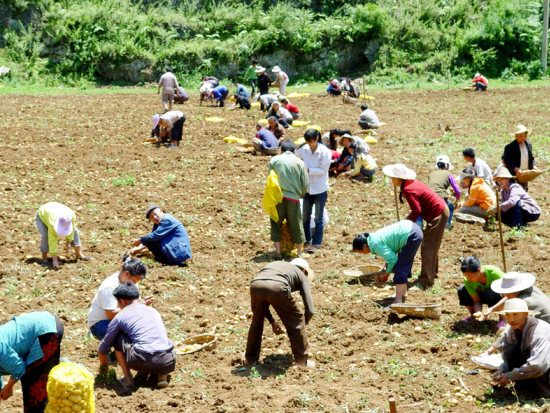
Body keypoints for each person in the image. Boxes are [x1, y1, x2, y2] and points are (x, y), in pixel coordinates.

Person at [98, 282, 176, 389]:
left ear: (122, 301)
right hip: (168, 361)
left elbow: (104, 347)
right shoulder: (153, 311)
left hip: (141, 360)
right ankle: (162, 375)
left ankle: (128, 380)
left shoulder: (120, 317)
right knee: (158, 337)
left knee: (117, 335)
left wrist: (103, 366)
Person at [383, 164, 449, 287]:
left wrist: (405, 222)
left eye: (392, 178)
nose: (391, 181)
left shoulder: (407, 189)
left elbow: (417, 210)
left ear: (398, 179)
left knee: (427, 247)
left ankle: (425, 281)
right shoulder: (410, 184)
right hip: (439, 211)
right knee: (432, 245)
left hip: (438, 214)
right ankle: (432, 274)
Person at [244, 259, 315, 368]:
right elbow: (310, 310)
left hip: (256, 285)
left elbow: (262, 305)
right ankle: (301, 362)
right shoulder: (301, 275)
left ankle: (249, 360)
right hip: (278, 286)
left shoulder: (280, 267)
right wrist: (299, 328)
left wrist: (272, 321)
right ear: (304, 271)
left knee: (256, 322)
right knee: (298, 318)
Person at [479, 299, 550, 398]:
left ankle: (542, 393)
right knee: (511, 351)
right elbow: (507, 356)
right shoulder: (511, 330)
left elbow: (538, 364)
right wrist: (502, 370)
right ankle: (525, 389)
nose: (511, 319)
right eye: (507, 315)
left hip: (544, 368)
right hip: (534, 367)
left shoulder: (539, 332)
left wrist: (510, 376)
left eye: (515, 314)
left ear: (525, 314)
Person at [0, 312, 64, 413]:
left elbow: (18, 367)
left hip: (46, 332)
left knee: (33, 383)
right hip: (44, 324)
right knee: (43, 376)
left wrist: (8, 387)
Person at [352, 220, 423, 304]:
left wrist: (386, 275)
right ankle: (403, 293)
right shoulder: (372, 239)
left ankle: (398, 301)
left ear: (364, 246)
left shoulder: (375, 244)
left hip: (411, 234)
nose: (363, 254)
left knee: (400, 267)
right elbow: (390, 253)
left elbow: (393, 259)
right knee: (403, 262)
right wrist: (385, 268)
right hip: (411, 229)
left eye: (361, 252)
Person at [88, 258, 152, 340]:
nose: (135, 284)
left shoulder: (130, 282)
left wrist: (142, 303)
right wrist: (136, 306)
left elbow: (133, 304)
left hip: (120, 319)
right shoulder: (109, 286)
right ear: (127, 273)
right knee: (126, 334)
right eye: (134, 280)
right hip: (100, 324)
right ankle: (120, 351)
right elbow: (110, 314)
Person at [268, 140, 309, 257]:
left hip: (277, 198)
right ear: (294, 151)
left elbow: (269, 179)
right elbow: (305, 183)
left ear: (281, 150)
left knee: (276, 223)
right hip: (293, 198)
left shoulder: (275, 160)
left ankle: (277, 252)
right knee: (296, 224)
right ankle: (300, 252)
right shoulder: (299, 162)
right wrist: (300, 194)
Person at [296, 129, 332, 253]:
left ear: (317, 139)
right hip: (307, 187)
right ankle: (307, 241)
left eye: (311, 142)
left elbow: (323, 170)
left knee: (318, 217)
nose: (309, 144)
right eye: (307, 142)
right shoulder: (304, 149)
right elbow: (295, 156)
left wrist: (307, 170)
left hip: (320, 188)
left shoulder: (325, 152)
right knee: (305, 216)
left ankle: (317, 243)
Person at [36, 202, 90, 269]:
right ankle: (44, 259)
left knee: (75, 231)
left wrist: (68, 242)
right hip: (43, 214)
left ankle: (78, 254)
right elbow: (52, 240)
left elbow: (72, 229)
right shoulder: (52, 222)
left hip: (53, 211)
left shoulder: (71, 216)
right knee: (45, 235)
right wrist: (55, 260)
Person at [457, 256, 507, 327]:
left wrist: (492, 309)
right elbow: (477, 300)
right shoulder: (467, 279)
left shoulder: (494, 273)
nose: (468, 278)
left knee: (490, 293)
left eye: (470, 276)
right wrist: (478, 313)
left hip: (498, 297)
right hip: (482, 295)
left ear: (479, 271)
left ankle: (503, 319)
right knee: (462, 290)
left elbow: (507, 297)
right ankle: (473, 317)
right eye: (466, 276)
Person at [427, 155, 461, 229]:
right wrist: (457, 199)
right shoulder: (448, 174)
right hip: (440, 197)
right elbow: (457, 191)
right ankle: (447, 224)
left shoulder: (431, 174)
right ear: (447, 165)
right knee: (451, 208)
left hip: (428, 197)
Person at [503, 125, 536, 191]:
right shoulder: (510, 147)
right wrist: (515, 169)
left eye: (524, 135)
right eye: (520, 136)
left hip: (524, 173)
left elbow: (531, 158)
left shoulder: (528, 145)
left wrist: (533, 165)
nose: (523, 137)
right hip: (514, 174)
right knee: (515, 190)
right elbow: (507, 161)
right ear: (516, 136)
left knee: (524, 190)